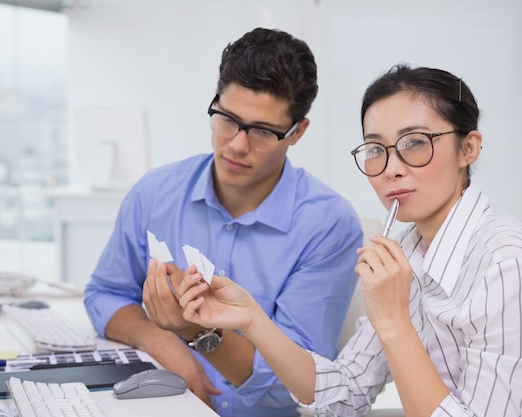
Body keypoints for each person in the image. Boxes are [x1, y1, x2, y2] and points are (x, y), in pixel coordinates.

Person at [177, 64, 522, 416]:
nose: (390, 168)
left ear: (469, 148)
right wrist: (252, 318)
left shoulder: (509, 269)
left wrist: (393, 321)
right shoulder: (410, 249)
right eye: (375, 149)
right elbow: (343, 394)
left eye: (414, 143)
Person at [83, 27, 362, 417]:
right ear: (214, 101)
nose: (236, 145)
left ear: (297, 132)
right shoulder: (155, 193)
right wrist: (159, 341)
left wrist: (192, 332)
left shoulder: (329, 225)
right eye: (228, 119)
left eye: (263, 131)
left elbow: (293, 388)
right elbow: (105, 293)